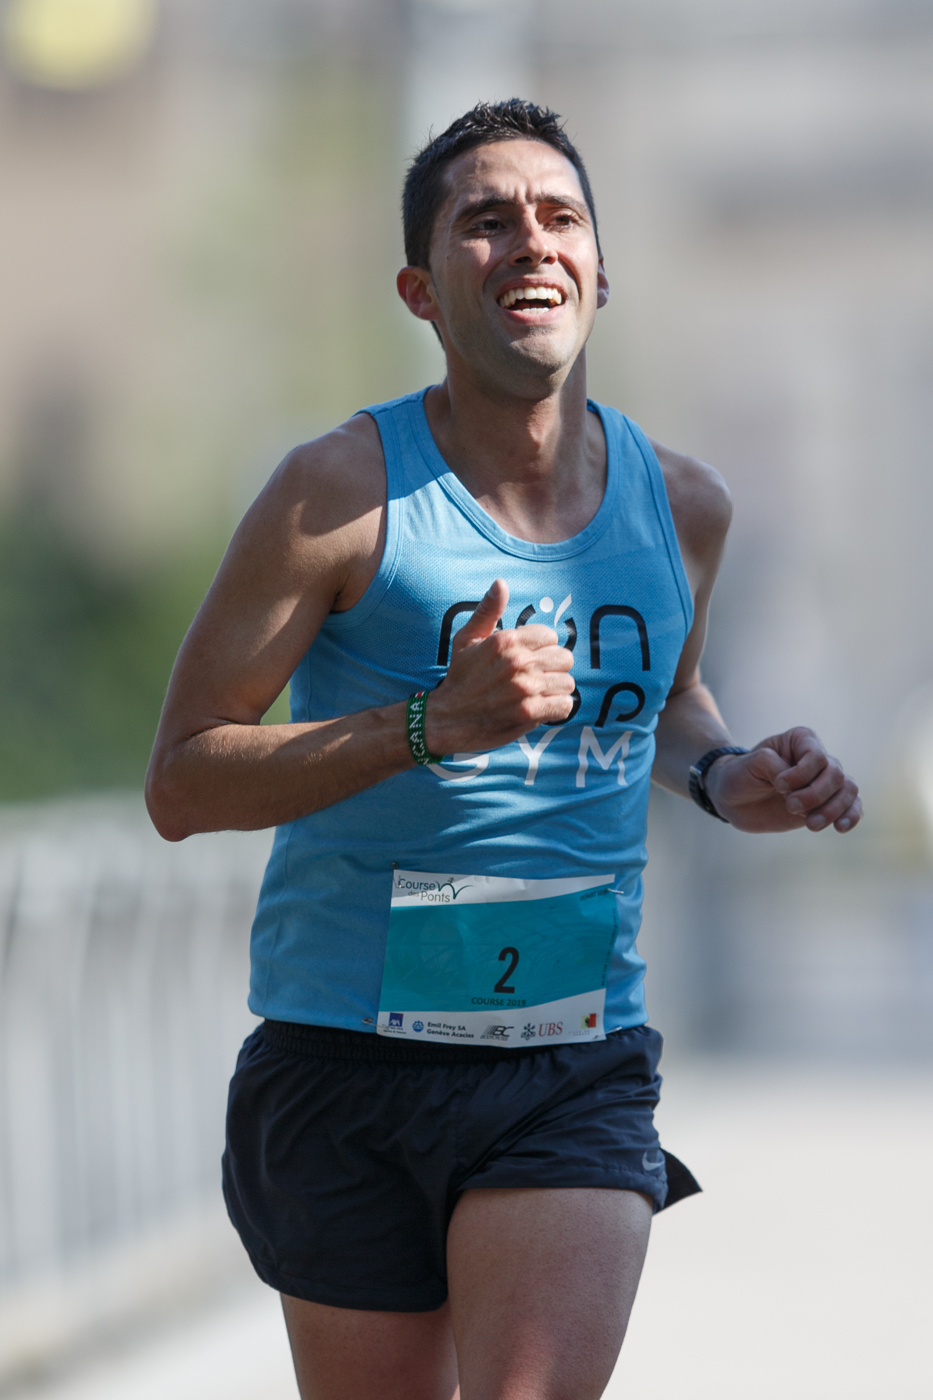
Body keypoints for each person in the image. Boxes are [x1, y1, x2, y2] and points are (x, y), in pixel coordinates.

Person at [146, 100, 861, 1400]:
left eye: (559, 216)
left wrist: (725, 774)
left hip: (569, 1060)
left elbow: (669, 700)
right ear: (420, 290)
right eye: (486, 220)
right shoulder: (336, 493)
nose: (530, 239)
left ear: (599, 271)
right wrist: (429, 724)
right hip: (344, 1053)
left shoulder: (684, 506)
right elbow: (184, 779)